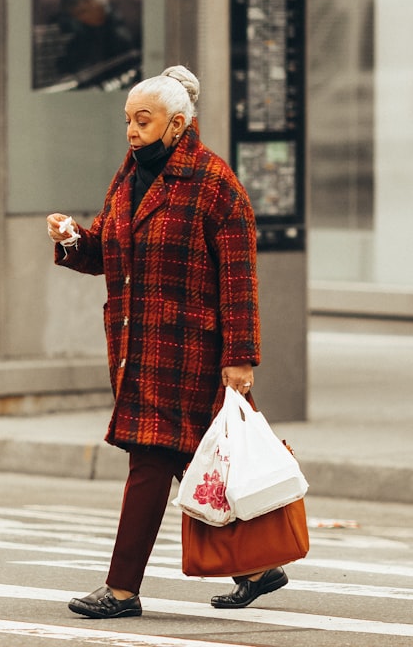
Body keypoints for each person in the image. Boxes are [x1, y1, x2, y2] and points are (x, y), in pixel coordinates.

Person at [47, 65, 288, 619]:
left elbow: (240, 278)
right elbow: (107, 250)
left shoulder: (214, 183)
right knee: (193, 460)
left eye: (143, 119)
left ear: (177, 124)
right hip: (138, 346)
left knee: (150, 459)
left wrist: (241, 359)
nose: (130, 130)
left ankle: (122, 589)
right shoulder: (129, 176)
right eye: (127, 120)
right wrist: (73, 240)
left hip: (189, 351)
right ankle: (255, 566)